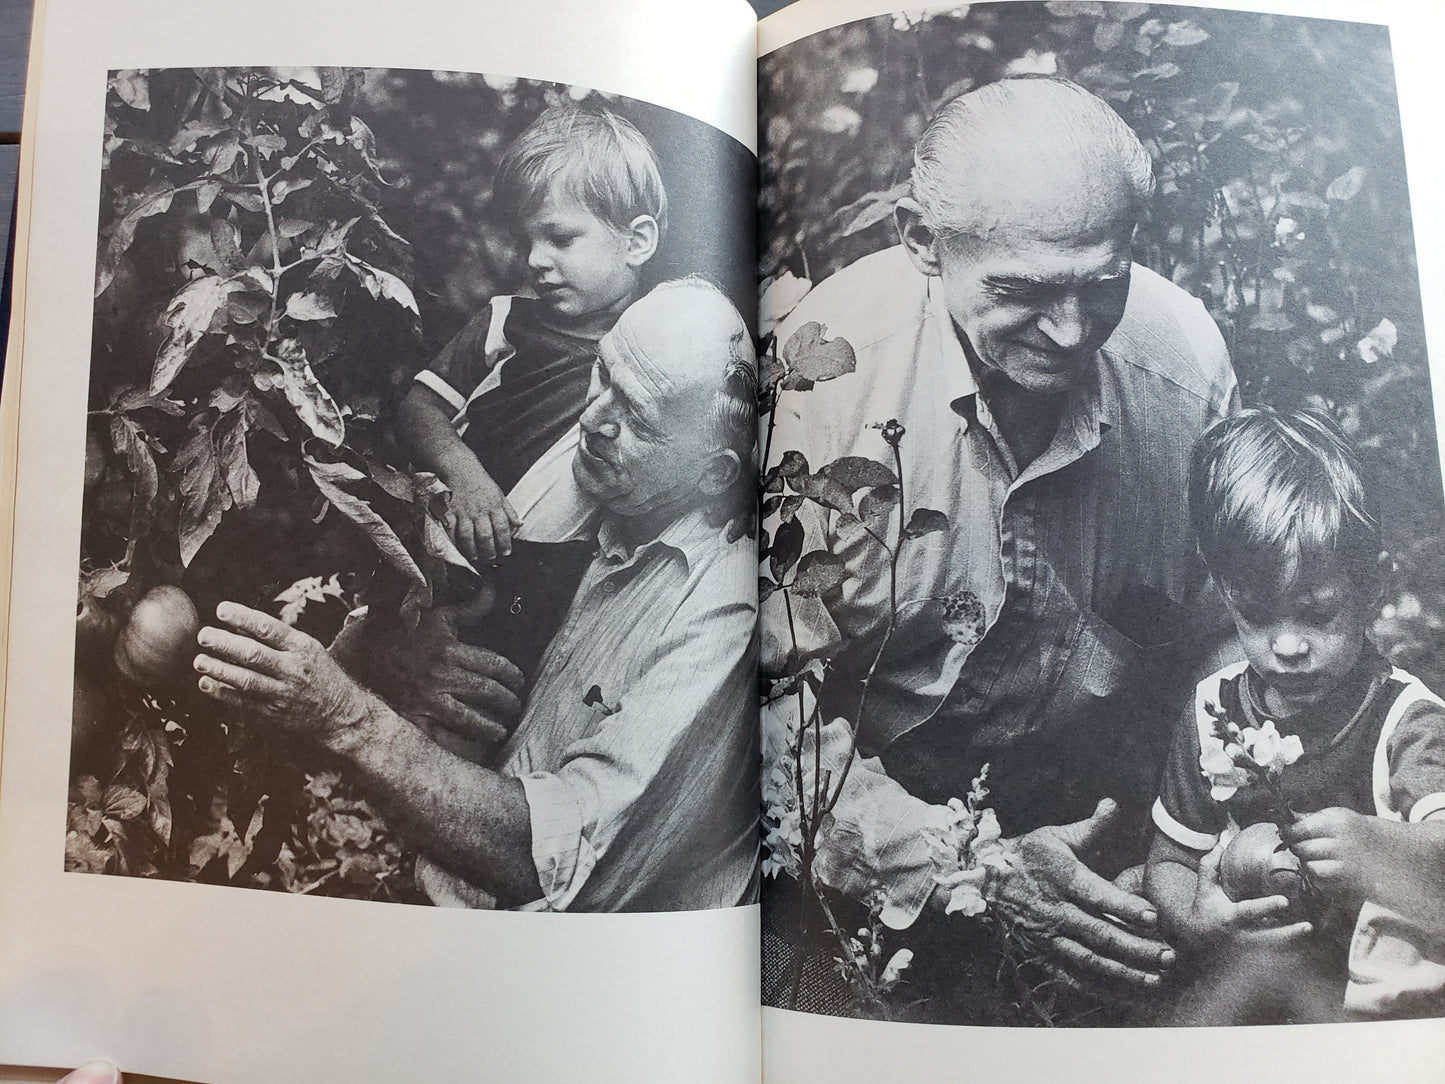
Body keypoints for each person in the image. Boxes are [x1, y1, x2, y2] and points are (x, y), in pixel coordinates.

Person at [765, 76, 1237, 998]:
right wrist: (958, 869)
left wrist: (1195, 840)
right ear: (920, 241)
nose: (1068, 332)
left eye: (1102, 286)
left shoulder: (1184, 367)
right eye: (1021, 291)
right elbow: (760, 710)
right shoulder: (816, 380)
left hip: (1104, 825)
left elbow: (1226, 639)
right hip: (851, 833)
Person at [193, 279, 759, 912]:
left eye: (639, 420)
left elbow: (549, 860)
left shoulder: (723, 613)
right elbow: (419, 603)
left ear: (714, 473)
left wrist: (345, 717)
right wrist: (397, 650)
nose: (593, 420)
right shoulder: (590, 478)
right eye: (603, 375)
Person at [1145, 407, 1445, 1022]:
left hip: (1378, 1011)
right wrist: (1200, 922)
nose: (1287, 647)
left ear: (1373, 587)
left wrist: (1381, 848)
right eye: (1256, 615)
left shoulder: (1405, 722)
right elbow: (1170, 859)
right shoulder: (1217, 711)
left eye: (1317, 613)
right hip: (1258, 979)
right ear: (1224, 595)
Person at [397, 102, 666, 565]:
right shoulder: (505, 322)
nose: (535, 260)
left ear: (636, 242)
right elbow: (417, 410)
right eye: (526, 242)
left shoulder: (661, 346)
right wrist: (467, 479)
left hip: (566, 568)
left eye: (560, 239)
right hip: (459, 541)